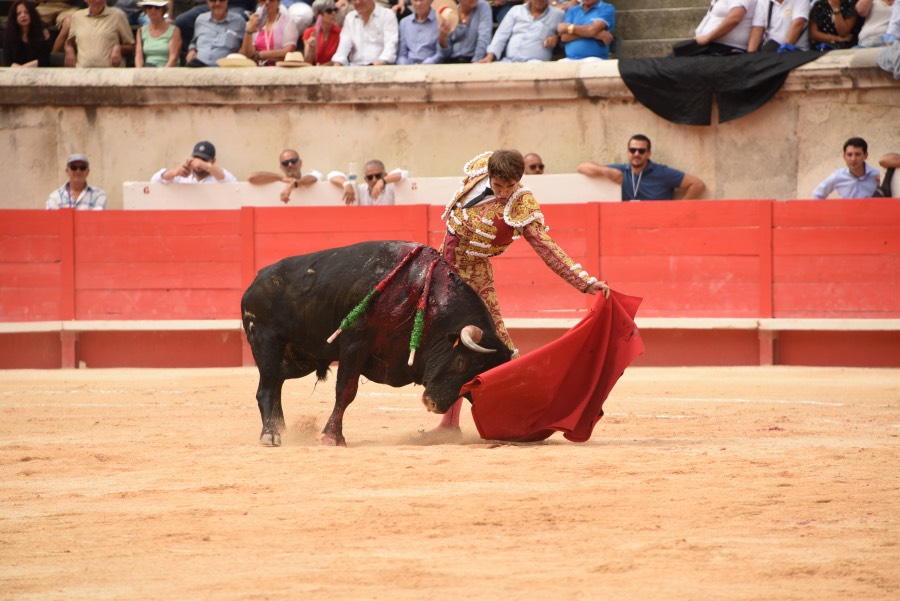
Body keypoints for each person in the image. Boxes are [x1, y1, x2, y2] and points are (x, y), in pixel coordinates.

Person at [432, 149, 610, 432]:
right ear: (490, 175)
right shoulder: (479, 168)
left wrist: (585, 283)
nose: (504, 193)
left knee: (496, 342)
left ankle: (526, 414)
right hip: (441, 267)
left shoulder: (521, 203)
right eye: (499, 186)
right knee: (445, 339)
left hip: (475, 276)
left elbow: (546, 247)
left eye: (510, 186)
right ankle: (449, 421)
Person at [577, 134, 707, 201]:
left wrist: (679, 208)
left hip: (658, 227)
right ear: (628, 152)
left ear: (648, 153)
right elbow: (582, 167)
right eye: (633, 150)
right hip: (627, 227)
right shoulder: (620, 170)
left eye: (641, 151)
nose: (636, 154)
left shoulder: (662, 173)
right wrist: (606, 171)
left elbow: (697, 184)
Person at [479, 0, 563, 62]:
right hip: (509, 62)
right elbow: (501, 35)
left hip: (536, 64)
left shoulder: (558, 14)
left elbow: (564, 35)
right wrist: (490, 56)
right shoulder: (515, 10)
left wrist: (557, 37)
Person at [64, 0, 135, 67]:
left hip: (111, 72)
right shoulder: (77, 17)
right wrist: (69, 50)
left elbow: (132, 46)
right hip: (82, 72)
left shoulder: (118, 15)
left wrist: (119, 48)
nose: (97, 1)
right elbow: (69, 43)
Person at [330, 0, 399, 65]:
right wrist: (337, 64)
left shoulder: (387, 15)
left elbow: (390, 46)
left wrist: (380, 62)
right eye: (354, 0)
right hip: (355, 67)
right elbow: (343, 48)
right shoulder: (350, 18)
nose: (357, 2)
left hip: (381, 67)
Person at [812, 137, 881, 198]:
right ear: (844, 156)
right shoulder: (838, 176)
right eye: (849, 155)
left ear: (865, 156)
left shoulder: (875, 174)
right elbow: (817, 194)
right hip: (845, 212)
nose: (853, 159)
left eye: (857, 154)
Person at [185, 0, 248, 67]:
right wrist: (192, 50)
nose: (217, 3)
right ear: (207, 2)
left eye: (221, 0)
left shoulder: (239, 21)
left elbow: (245, 47)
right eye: (213, 0)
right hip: (199, 66)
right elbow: (194, 41)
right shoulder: (200, 20)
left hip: (223, 68)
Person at [248, 149, 324, 203]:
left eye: (293, 161)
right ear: (281, 167)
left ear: (300, 162)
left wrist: (293, 185)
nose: (290, 165)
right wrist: (281, 178)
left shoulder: (312, 174)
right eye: (285, 163)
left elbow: (313, 178)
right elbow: (252, 177)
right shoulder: (279, 181)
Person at [240, 0, 299, 65]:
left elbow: (288, 51)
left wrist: (261, 55)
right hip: (257, 69)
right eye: (263, 0)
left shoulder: (287, 22)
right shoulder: (254, 22)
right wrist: (249, 31)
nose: (267, 2)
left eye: (271, 0)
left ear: (278, 2)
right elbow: (247, 54)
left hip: (280, 69)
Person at [151, 140, 238, 184]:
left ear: (213, 161)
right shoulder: (182, 177)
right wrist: (175, 172)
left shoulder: (217, 177)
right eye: (196, 158)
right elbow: (155, 181)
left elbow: (230, 181)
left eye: (204, 159)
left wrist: (206, 166)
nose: (198, 163)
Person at [328, 160, 409, 205]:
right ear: (365, 179)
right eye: (370, 177)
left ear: (385, 175)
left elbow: (404, 173)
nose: (374, 180)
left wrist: (383, 181)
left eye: (378, 176)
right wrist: (346, 184)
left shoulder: (391, 187)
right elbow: (332, 175)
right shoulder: (360, 190)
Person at [4, 0, 52, 67]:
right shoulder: (10, 35)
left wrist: (23, 69)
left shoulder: (42, 33)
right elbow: (8, 61)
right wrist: (20, 70)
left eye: (26, 12)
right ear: (14, 17)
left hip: (38, 72)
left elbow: (44, 60)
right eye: (19, 13)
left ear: (32, 14)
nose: (23, 15)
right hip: (16, 72)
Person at [134, 0, 182, 67]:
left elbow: (173, 58)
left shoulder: (174, 31)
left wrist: (161, 74)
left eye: (157, 7)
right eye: (149, 7)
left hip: (168, 71)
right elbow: (138, 56)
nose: (153, 10)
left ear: (163, 10)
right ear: (145, 10)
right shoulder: (141, 31)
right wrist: (140, 72)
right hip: (148, 69)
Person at [302, 0, 342, 64]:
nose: (334, 13)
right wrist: (310, 50)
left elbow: (341, 59)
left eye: (335, 10)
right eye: (329, 11)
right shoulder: (309, 32)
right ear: (318, 14)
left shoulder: (341, 32)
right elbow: (307, 63)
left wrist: (322, 67)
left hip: (334, 71)